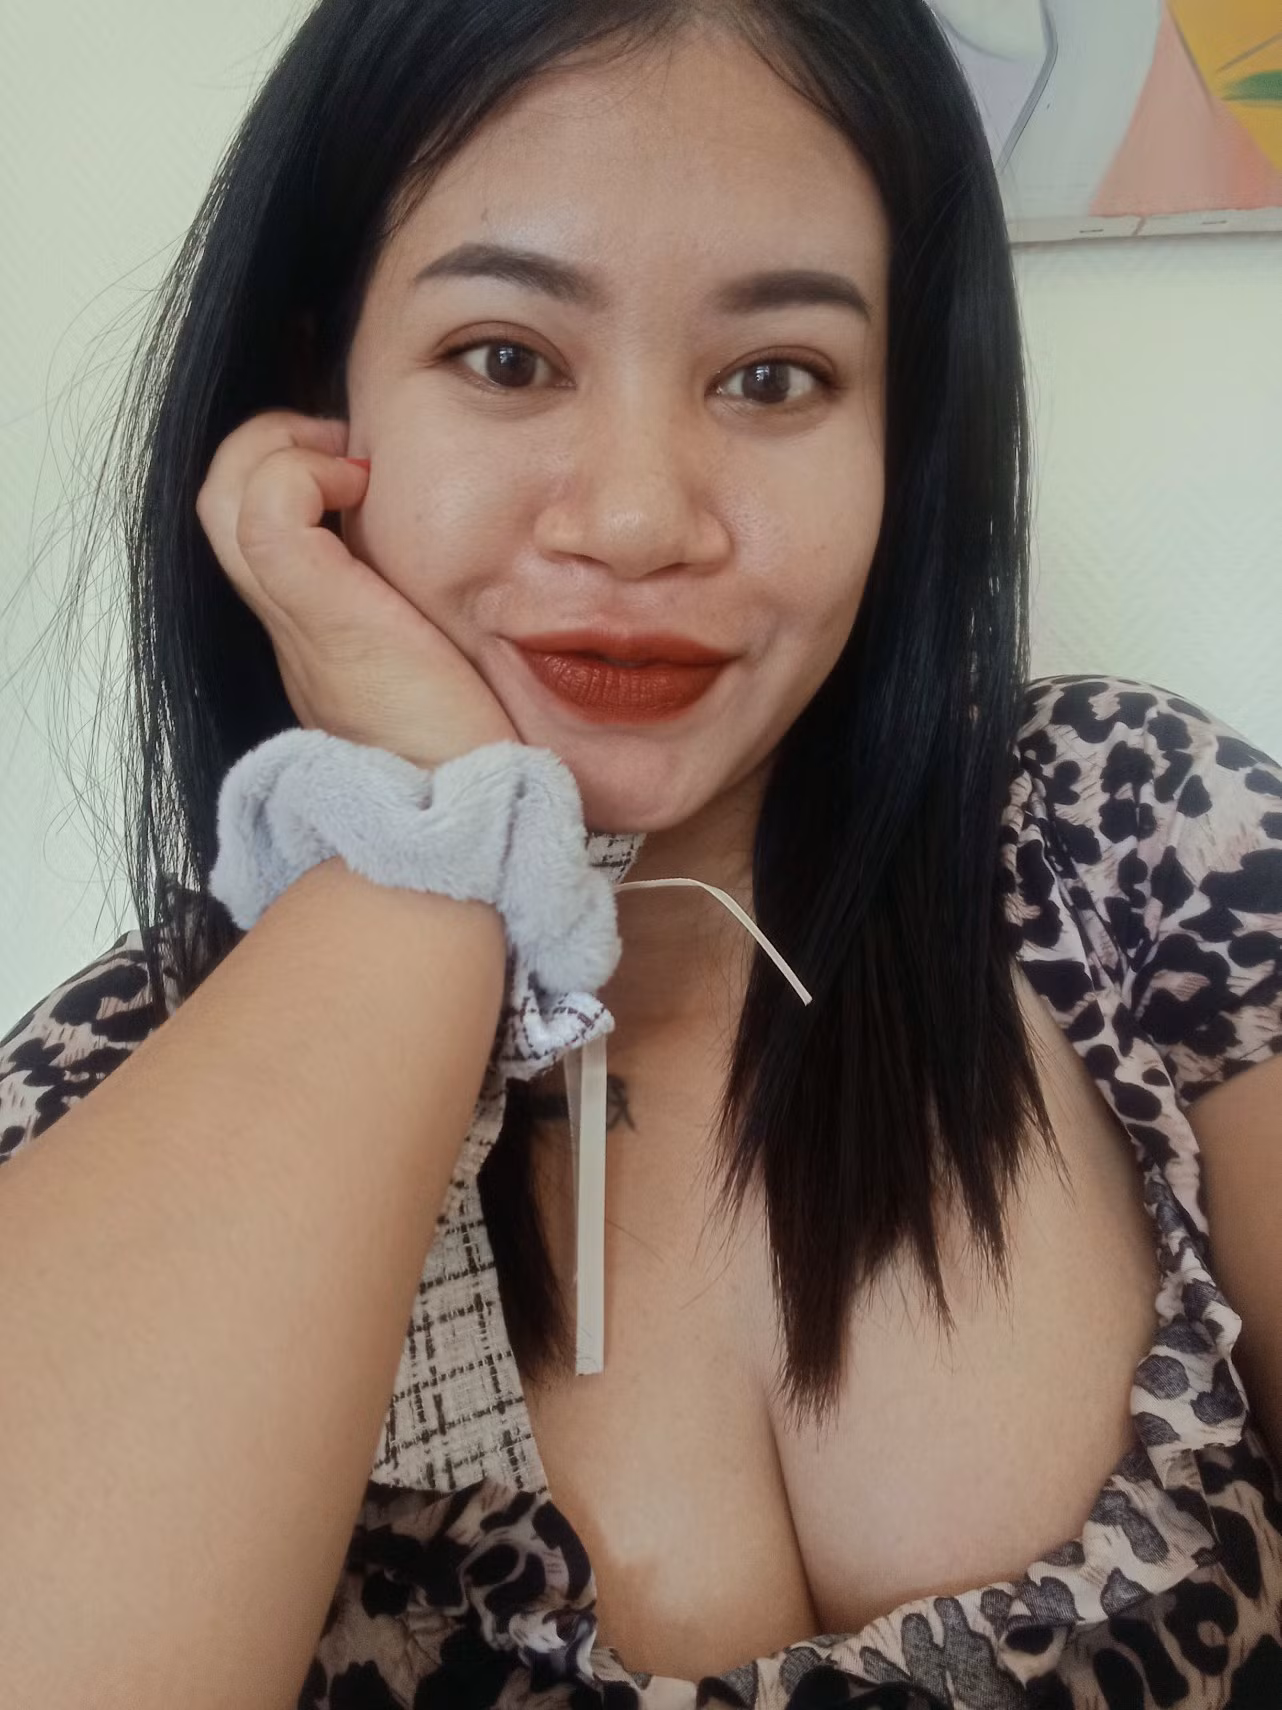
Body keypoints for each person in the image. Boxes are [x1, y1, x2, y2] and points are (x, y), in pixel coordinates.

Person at [1, 2, 1280, 1706]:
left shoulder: (1116, 832)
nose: (636, 519)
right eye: (505, 359)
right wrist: (433, 839)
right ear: (320, 398)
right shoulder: (113, 1090)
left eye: (774, 377)